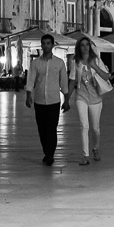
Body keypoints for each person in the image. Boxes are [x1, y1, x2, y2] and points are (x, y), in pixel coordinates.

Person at [24, 33, 70, 166]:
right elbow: (31, 80)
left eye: (48, 43)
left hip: (54, 101)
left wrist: (66, 100)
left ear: (52, 45)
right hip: (39, 100)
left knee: (51, 128)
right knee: (41, 129)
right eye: (43, 43)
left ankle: (50, 154)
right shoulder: (35, 63)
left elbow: (64, 83)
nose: (45, 46)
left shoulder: (59, 63)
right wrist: (28, 96)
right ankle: (47, 151)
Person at [69, 36, 112, 166]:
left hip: (95, 97)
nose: (85, 47)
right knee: (84, 126)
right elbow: (72, 80)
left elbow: (107, 76)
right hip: (81, 96)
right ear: (79, 48)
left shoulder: (96, 60)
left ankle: (95, 149)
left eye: (87, 45)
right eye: (82, 45)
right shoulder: (75, 62)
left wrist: (95, 67)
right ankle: (85, 156)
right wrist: (66, 98)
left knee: (95, 128)